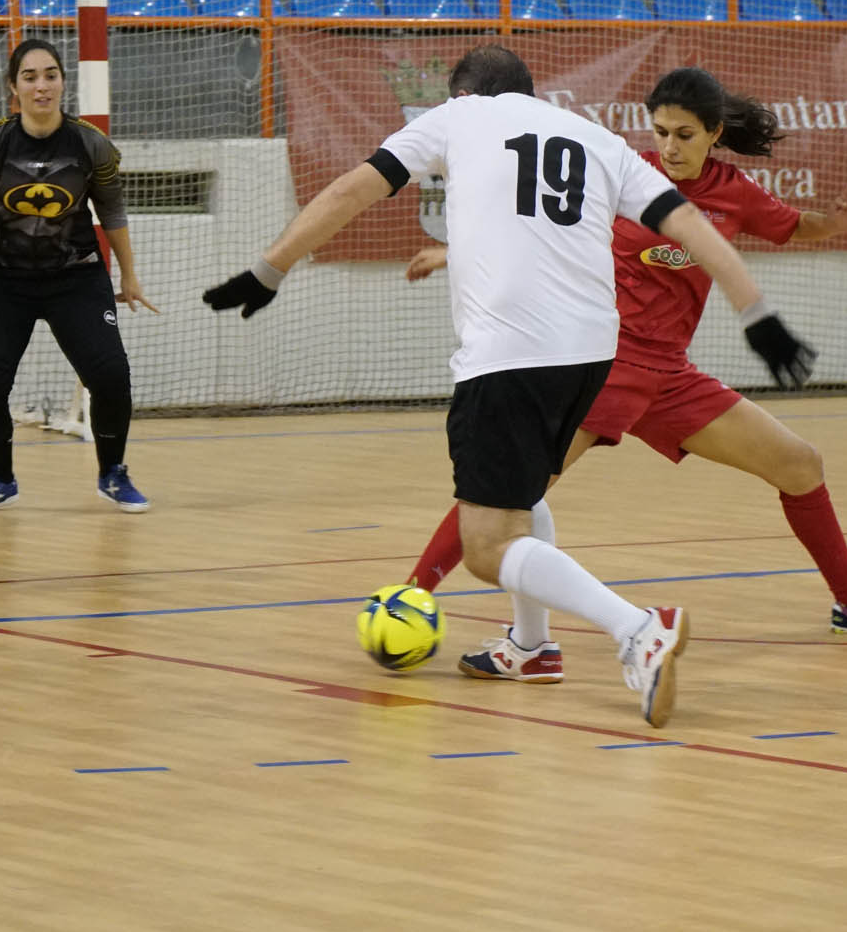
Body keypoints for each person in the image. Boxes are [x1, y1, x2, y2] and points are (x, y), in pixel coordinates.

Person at [204, 44, 814, 728]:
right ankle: (531, 645)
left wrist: (269, 270)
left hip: (509, 356)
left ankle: (638, 629)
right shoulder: (597, 138)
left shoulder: (457, 119)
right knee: (524, 494)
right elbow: (692, 226)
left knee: (488, 546)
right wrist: (758, 315)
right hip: (590, 354)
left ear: (464, 94)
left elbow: (353, 189)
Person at [400, 67, 847, 684]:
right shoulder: (626, 177)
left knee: (800, 464)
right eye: (660, 133)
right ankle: (410, 597)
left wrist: (837, 223)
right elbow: (537, 229)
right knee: (507, 495)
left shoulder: (734, 192)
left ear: (714, 133)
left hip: (671, 378)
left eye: (684, 134)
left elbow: (793, 225)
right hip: (606, 368)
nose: (670, 147)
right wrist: (454, 251)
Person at [0, 38, 155, 515]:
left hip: (76, 278)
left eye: (50, 75)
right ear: (13, 88)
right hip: (2, 281)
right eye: (30, 77)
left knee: (111, 374)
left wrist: (129, 275)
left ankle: (113, 474)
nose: (42, 85)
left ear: (63, 81)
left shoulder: (90, 144)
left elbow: (113, 210)